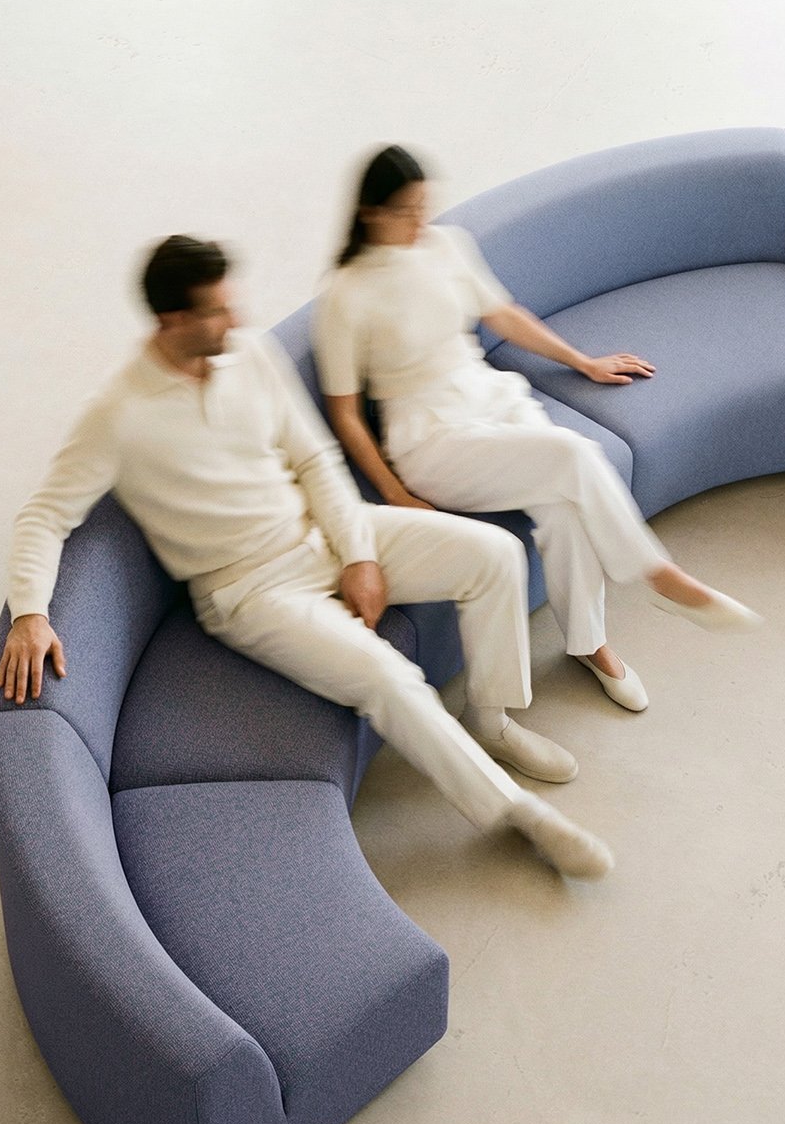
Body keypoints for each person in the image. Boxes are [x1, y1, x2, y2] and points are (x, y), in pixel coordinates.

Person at [0, 234, 614, 879]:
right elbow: (44, 513)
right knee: (388, 679)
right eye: (216, 310)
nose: (235, 319)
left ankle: (490, 718)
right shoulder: (117, 417)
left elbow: (315, 459)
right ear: (172, 319)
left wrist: (358, 556)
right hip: (250, 590)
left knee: (493, 555)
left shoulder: (250, 355)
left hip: (320, 533)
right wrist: (31, 613)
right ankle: (518, 814)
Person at [314, 146, 761, 714]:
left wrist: (584, 361)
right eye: (406, 210)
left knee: (565, 507)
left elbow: (504, 315)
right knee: (573, 455)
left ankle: (590, 645)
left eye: (425, 205)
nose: (420, 220)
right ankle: (657, 574)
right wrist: (398, 494)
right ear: (371, 213)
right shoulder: (346, 293)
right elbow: (346, 415)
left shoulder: (447, 245)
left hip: (491, 399)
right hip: (431, 440)